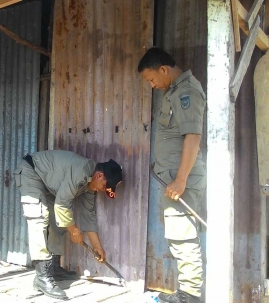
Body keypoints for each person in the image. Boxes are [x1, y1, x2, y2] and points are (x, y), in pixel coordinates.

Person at [138, 47, 206, 303]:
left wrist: (181, 179)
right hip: (174, 179)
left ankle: (190, 296)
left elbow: (193, 137)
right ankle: (187, 293)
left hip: (182, 180)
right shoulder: (174, 92)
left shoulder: (186, 92)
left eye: (151, 79)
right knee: (179, 235)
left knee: (183, 235)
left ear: (163, 70)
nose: (152, 85)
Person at [13, 150, 123, 300]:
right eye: (104, 187)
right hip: (31, 172)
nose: (102, 191)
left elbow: (88, 214)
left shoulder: (90, 184)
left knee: (59, 221)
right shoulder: (81, 172)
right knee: (39, 216)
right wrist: (74, 231)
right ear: (99, 176)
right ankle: (42, 277)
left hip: (48, 185)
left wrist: (97, 246)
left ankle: (54, 267)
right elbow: (62, 204)